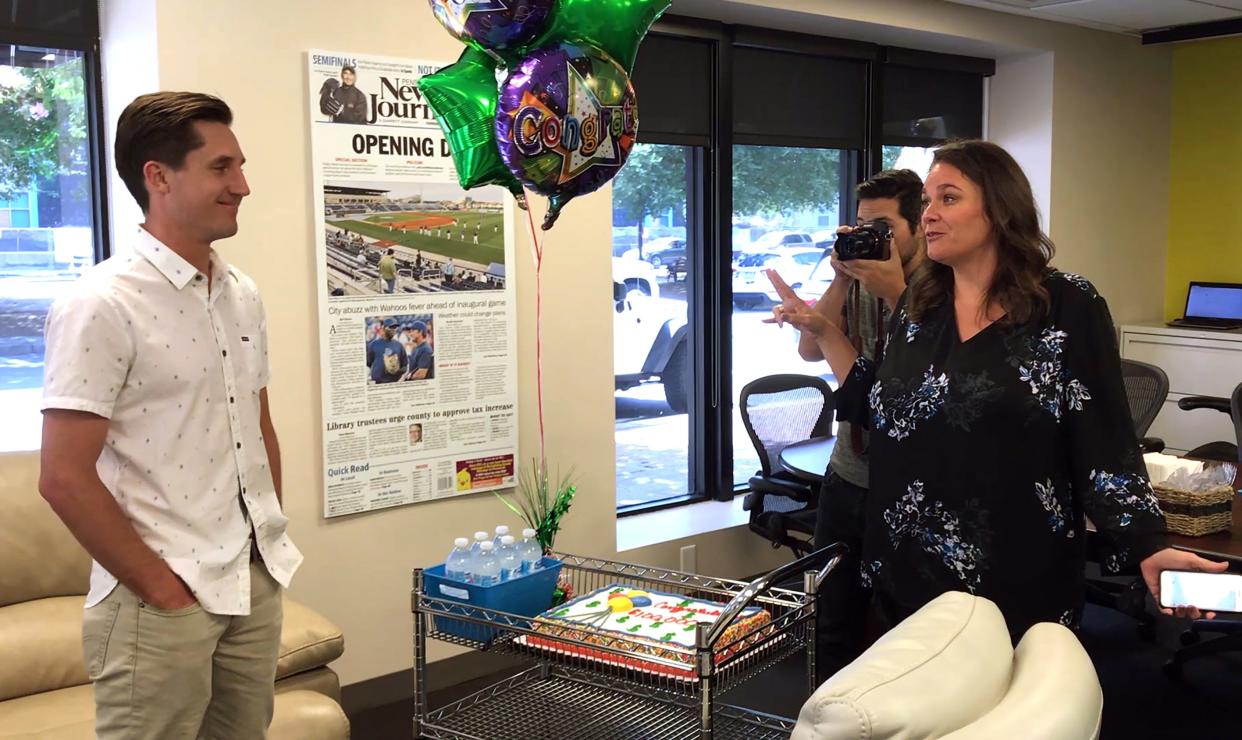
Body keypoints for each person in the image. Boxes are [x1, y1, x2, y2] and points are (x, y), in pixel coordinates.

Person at [768, 139, 1225, 642]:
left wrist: (1148, 543)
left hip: (1016, 572)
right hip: (910, 572)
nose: (929, 216)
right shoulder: (921, 307)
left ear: (999, 208)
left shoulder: (1066, 304)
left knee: (1009, 715)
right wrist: (824, 329)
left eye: (948, 198)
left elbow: (1104, 437)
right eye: (926, 203)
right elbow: (884, 409)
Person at [38, 91, 303, 739]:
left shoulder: (240, 294)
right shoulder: (100, 304)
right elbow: (63, 477)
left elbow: (256, 423)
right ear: (158, 177)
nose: (242, 185)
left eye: (239, 166)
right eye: (221, 168)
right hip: (160, 599)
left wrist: (264, 541)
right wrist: (161, 588)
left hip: (252, 578)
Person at [776, 169, 927, 680]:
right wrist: (840, 278)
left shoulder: (938, 287)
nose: (870, 236)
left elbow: (924, 372)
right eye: (861, 224)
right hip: (850, 471)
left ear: (919, 226)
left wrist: (895, 291)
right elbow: (809, 349)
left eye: (883, 225)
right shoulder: (860, 279)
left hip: (909, 480)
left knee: (902, 622)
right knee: (830, 612)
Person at [367, 318, 407, 383]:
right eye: (391, 327)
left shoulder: (399, 345)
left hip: (394, 382)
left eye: (395, 327)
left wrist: (396, 371)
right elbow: (368, 364)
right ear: (384, 328)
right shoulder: (373, 345)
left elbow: (405, 365)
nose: (393, 330)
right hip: (378, 383)